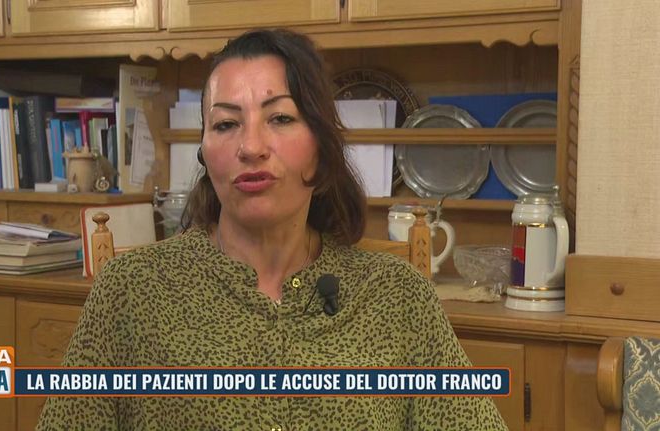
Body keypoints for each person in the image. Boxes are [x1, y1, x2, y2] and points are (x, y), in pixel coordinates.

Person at [37, 28, 508, 430]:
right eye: (226, 124)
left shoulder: (397, 297)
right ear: (205, 153)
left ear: (321, 147)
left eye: (280, 118)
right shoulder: (132, 290)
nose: (251, 146)